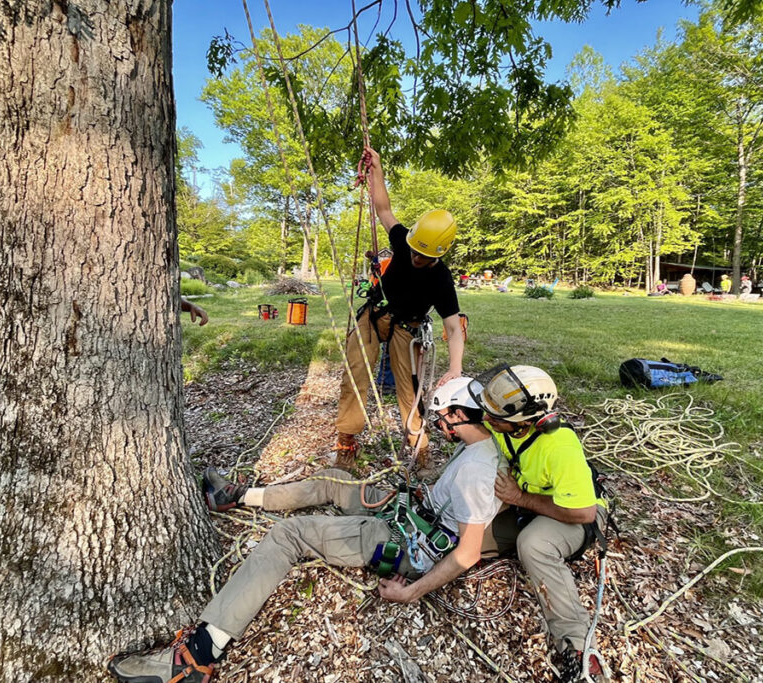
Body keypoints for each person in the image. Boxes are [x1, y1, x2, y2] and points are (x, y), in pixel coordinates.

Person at [107, 378, 502, 683]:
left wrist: (409, 592)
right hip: (411, 514)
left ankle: (198, 655)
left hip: (405, 544)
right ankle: (238, 496)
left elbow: (466, 553)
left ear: (457, 415)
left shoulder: (475, 473)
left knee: (288, 535)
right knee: (334, 479)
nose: (440, 424)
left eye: (442, 416)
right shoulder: (481, 446)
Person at [469, 364, 609, 682]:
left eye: (495, 416)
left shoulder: (559, 447)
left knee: (533, 544)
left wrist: (520, 498)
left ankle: (578, 649)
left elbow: (583, 512)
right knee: (468, 537)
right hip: (528, 504)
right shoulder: (502, 425)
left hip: (575, 513)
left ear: (524, 423)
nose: (487, 420)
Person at [335, 147, 465, 468]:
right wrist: (376, 168)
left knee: (410, 392)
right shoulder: (405, 240)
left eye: (424, 257)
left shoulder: (442, 280)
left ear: (439, 255)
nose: (416, 259)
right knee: (355, 373)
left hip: (406, 330)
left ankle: (419, 448)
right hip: (374, 315)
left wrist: (455, 367)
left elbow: (453, 327)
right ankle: (346, 441)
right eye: (414, 252)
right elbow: (383, 208)